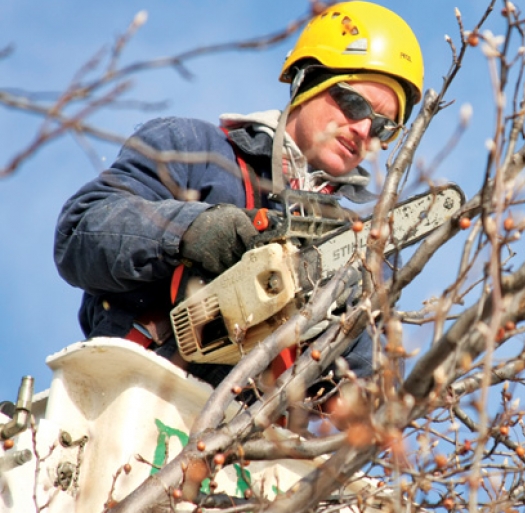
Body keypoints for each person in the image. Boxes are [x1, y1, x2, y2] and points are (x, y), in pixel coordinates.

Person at [53, 1, 424, 391]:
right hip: (130, 396)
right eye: (353, 103)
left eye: (383, 127)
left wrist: (345, 323)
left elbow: (367, 407)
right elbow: (80, 231)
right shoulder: (194, 150)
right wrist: (193, 230)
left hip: (250, 442)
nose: (363, 129)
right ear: (309, 80)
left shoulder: (364, 248)